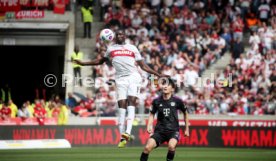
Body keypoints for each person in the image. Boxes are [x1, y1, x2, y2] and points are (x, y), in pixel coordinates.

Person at [74, 29, 166, 148]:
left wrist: (158, 75)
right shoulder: (111, 49)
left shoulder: (132, 48)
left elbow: (143, 66)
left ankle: (127, 131)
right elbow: (99, 61)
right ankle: (123, 136)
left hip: (133, 77)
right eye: (118, 35)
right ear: (115, 37)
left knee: (131, 103)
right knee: (122, 107)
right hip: (120, 79)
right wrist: (83, 63)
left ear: (125, 36)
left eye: (122, 34)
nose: (120, 36)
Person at [140, 78, 189, 161]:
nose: (165, 86)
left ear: (172, 88)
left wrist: (187, 129)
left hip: (173, 131)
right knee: (147, 148)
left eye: (168, 85)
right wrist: (149, 125)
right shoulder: (156, 101)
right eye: (164, 84)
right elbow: (152, 114)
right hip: (159, 131)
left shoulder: (177, 101)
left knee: (171, 146)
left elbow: (185, 113)